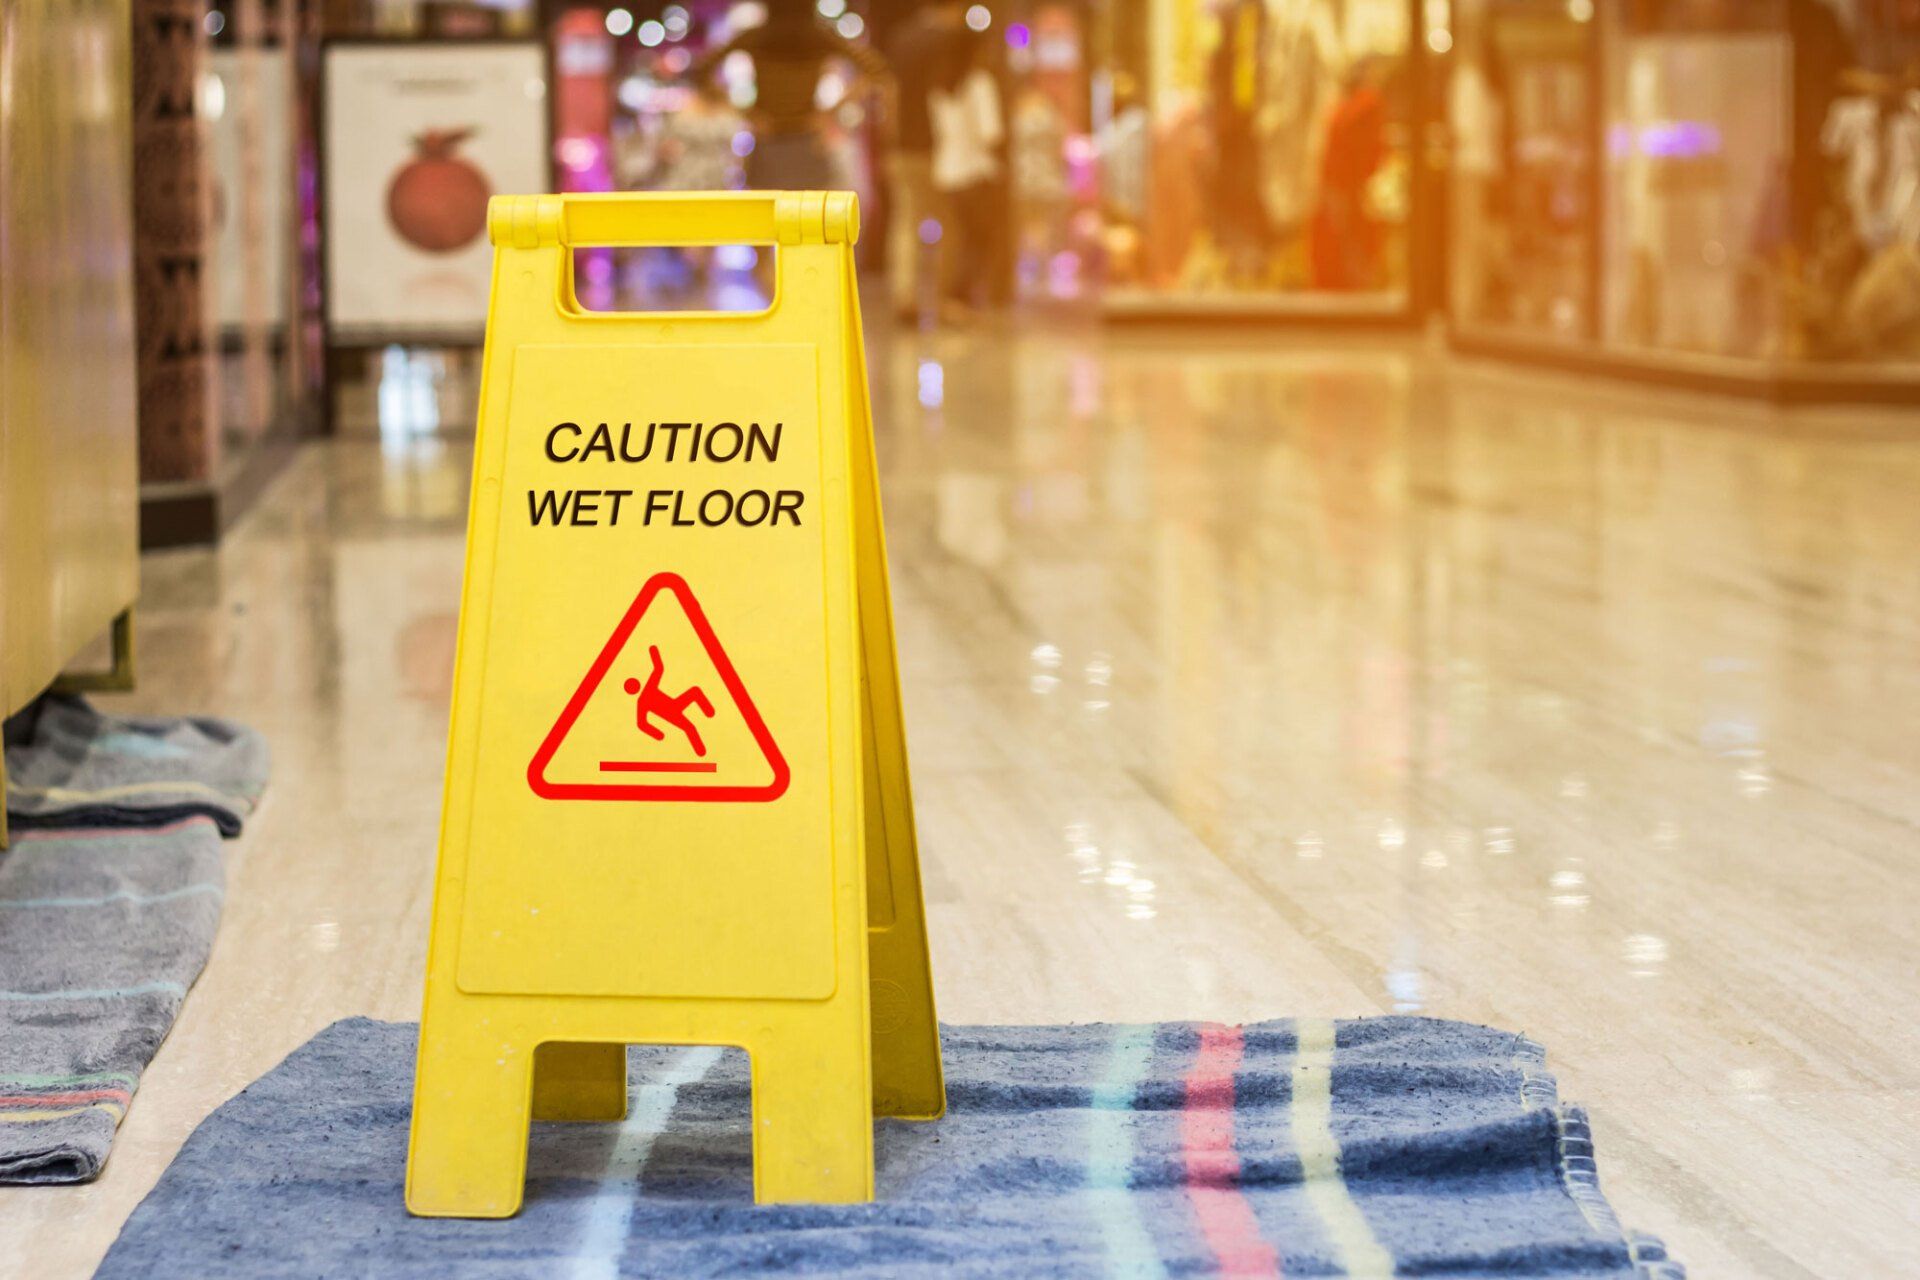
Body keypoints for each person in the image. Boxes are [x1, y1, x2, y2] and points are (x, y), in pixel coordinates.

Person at [691, 6, 888, 192]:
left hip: (769, 137)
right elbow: (876, 69)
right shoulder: (819, 36)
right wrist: (830, 112)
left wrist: (746, 113)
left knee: (767, 219)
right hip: (806, 137)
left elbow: (701, 71)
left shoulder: (756, 36)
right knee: (810, 218)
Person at [886, 2, 965, 320]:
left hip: (903, 145)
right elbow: (953, 96)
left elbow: (890, 94)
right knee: (949, 224)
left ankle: (905, 297)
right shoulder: (952, 40)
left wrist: (888, 142)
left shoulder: (901, 38)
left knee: (906, 221)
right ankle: (941, 300)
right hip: (940, 147)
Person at [928, 31, 1003, 318]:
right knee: (976, 241)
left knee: (956, 239)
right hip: (975, 172)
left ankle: (952, 299)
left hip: (946, 171)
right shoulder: (979, 83)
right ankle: (961, 299)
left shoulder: (939, 86)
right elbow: (990, 132)